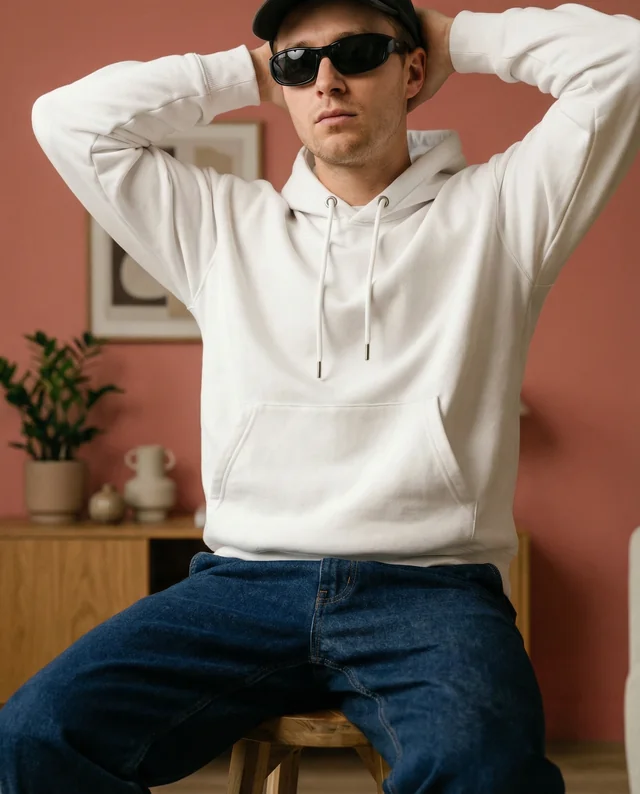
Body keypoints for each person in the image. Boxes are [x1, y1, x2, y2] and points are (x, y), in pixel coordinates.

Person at [2, 0, 639, 790]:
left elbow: (625, 61)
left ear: (412, 69)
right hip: (242, 585)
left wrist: (461, 38)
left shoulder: (502, 212)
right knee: (33, 735)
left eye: (360, 52)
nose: (327, 80)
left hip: (429, 591)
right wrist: (242, 70)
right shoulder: (221, 225)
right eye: (298, 63)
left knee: (482, 770)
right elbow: (64, 120)